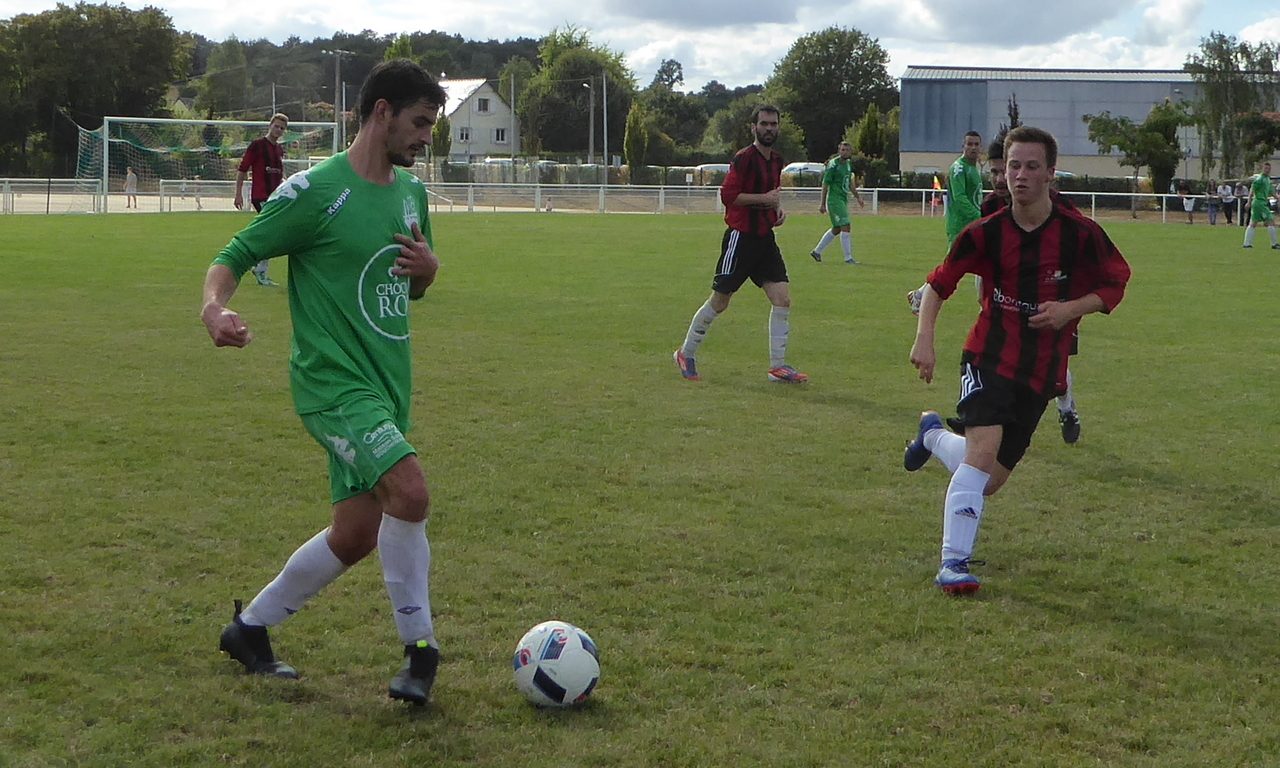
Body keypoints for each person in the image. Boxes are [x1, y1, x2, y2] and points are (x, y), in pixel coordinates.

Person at [203, 59, 447, 705]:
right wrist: (214, 307)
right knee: (411, 491)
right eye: (420, 123)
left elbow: (413, 287)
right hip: (332, 385)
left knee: (356, 535)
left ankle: (249, 630)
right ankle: (421, 652)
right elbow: (235, 255)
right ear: (381, 112)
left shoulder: (410, 193)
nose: (426, 137)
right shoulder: (316, 192)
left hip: (389, 385)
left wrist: (428, 271)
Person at [903, 126, 1131, 595]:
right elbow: (937, 286)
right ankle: (953, 564)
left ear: (1051, 173)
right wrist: (924, 339)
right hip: (987, 355)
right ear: (1003, 174)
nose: (1021, 175)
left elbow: (1115, 283)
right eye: (1013, 166)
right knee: (982, 456)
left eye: (1031, 166)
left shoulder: (1080, 234)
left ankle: (932, 434)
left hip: (1041, 371)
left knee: (986, 481)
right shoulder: (985, 233)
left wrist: (1070, 309)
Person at [674, 105, 807, 384]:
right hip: (741, 238)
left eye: (773, 124)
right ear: (753, 128)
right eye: (764, 124)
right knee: (720, 301)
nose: (769, 128)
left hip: (764, 239)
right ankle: (685, 353)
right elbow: (728, 196)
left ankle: (777, 367)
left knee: (782, 298)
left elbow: (771, 195)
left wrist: (776, 211)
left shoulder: (777, 160)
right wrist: (765, 201)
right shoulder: (744, 158)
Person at [234, 113, 290, 286]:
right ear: (270, 125)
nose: (278, 130)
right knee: (271, 233)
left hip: (275, 198)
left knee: (270, 233)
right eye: (276, 126)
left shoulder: (279, 150)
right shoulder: (257, 145)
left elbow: (280, 174)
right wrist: (238, 193)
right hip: (261, 196)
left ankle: (256, 263)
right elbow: (242, 169)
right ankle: (259, 269)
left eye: (282, 128)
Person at [809, 141, 865, 264]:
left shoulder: (848, 164)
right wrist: (822, 203)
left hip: (843, 199)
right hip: (834, 200)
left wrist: (858, 197)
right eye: (842, 150)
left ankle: (817, 252)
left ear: (850, 152)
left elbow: (850, 183)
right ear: (839, 151)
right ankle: (848, 258)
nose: (844, 152)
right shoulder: (833, 165)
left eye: (846, 150)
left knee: (837, 228)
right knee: (846, 226)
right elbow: (825, 184)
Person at [1242, 161, 1279, 249]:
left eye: (1269, 169)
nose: (1267, 170)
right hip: (1259, 202)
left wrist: (1278, 197)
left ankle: (1247, 244)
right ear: (1263, 169)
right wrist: (1249, 202)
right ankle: (1274, 244)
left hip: (1261, 203)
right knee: (1270, 221)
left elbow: (1272, 192)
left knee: (1253, 223)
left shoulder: (1267, 180)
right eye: (1266, 168)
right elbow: (1252, 190)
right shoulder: (1259, 179)